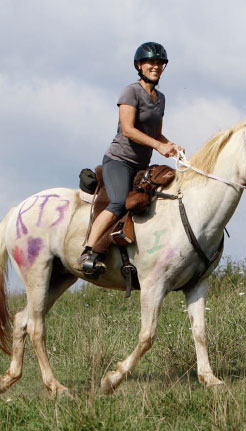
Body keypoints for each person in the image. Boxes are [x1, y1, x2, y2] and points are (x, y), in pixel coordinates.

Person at [79, 42, 182, 274]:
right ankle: (88, 250)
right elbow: (128, 129)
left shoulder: (160, 98)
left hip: (141, 164)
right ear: (139, 65)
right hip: (119, 160)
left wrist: (170, 145)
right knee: (118, 202)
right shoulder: (130, 91)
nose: (155, 66)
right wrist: (158, 145)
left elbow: (155, 133)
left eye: (159, 63)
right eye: (150, 62)